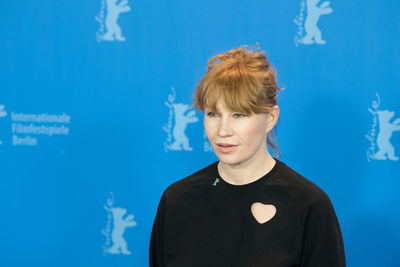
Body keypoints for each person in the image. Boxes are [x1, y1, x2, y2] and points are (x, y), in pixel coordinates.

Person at [149, 45, 346, 267]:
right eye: (213, 114)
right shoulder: (177, 200)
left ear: (271, 117)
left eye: (238, 114)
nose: (223, 130)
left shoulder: (309, 205)